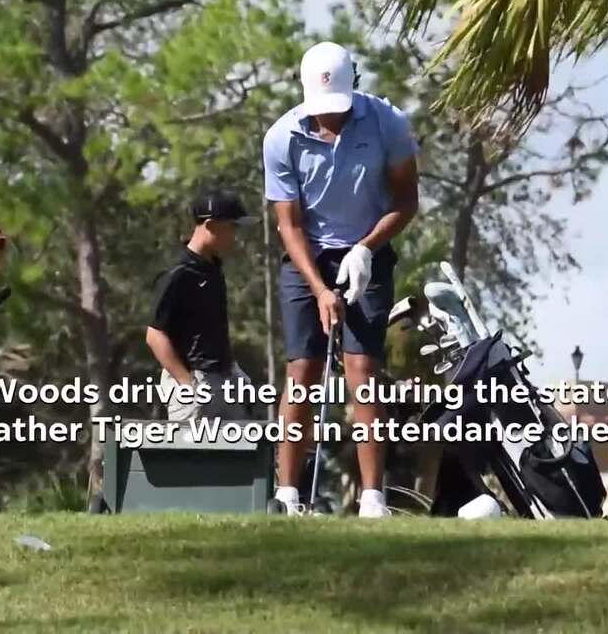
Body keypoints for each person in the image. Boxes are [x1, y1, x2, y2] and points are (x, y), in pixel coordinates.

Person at [263, 41, 420, 517]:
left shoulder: (388, 124)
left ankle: (373, 497)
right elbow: (287, 225)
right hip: (306, 258)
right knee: (303, 373)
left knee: (362, 373)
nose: (330, 118)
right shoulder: (281, 137)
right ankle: (288, 494)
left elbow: (406, 201)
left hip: (366, 253)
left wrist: (365, 249)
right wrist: (320, 289)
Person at [145, 189, 256, 422]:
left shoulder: (214, 268)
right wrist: (187, 384)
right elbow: (155, 335)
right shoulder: (179, 274)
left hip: (224, 378)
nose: (235, 235)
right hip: (194, 381)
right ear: (211, 225)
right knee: (191, 456)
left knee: (241, 454)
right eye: (232, 227)